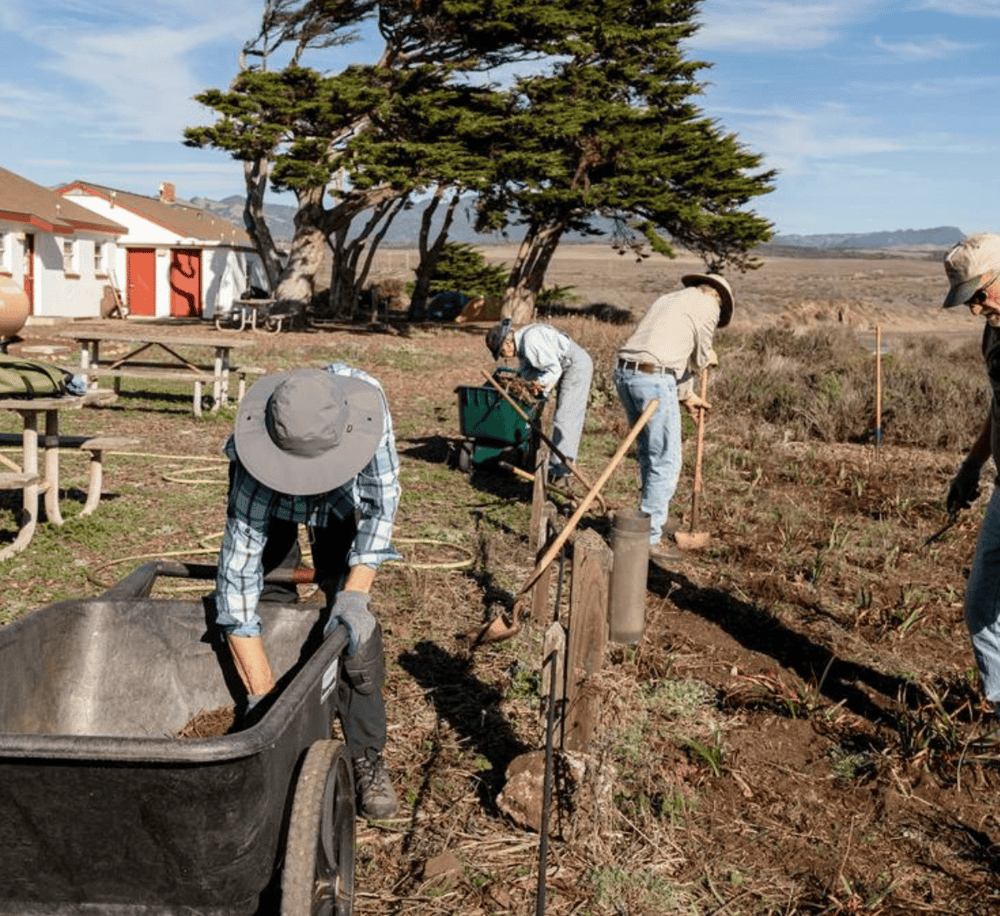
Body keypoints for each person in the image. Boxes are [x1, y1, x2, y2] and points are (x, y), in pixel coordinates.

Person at [214, 363, 402, 818]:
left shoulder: (367, 415)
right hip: (271, 496)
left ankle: (366, 756)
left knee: (354, 632)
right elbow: (237, 577)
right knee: (270, 605)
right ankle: (282, 720)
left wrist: (355, 597)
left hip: (341, 498)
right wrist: (265, 704)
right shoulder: (257, 455)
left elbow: (381, 505)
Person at [613, 273, 734, 561]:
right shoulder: (708, 305)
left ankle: (650, 518)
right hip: (654, 380)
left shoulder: (669, 299)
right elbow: (700, 354)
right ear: (717, 296)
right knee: (666, 459)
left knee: (649, 452)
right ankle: (650, 536)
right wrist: (707, 357)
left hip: (626, 374)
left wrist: (686, 395)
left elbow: (669, 351)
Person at [942, 232, 1000, 721]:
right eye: (970, 300)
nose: (975, 310)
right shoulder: (994, 333)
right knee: (980, 610)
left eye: (980, 295)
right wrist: (971, 465)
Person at [485, 319, 594, 481]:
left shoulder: (530, 342)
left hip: (575, 365)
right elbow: (529, 368)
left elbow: (553, 369)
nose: (504, 356)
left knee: (565, 419)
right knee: (550, 417)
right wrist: (518, 379)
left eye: (501, 352)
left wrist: (540, 387)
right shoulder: (522, 343)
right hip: (564, 364)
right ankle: (547, 464)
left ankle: (561, 473)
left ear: (507, 343)